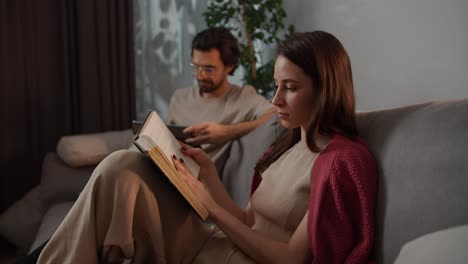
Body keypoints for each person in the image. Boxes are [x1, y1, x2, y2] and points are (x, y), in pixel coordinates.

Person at [32, 31, 377, 263]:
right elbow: (247, 219)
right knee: (122, 166)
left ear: (325, 89)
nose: (276, 98)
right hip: (220, 244)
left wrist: (211, 209)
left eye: (290, 87)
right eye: (276, 85)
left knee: (122, 174)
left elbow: (291, 257)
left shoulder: (340, 160)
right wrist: (209, 176)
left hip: (236, 258)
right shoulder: (286, 148)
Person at [167, 27, 275, 172]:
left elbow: (275, 114)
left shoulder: (243, 97)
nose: (200, 75)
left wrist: (227, 132)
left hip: (198, 184)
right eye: (196, 67)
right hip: (170, 172)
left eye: (209, 69)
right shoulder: (179, 97)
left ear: (229, 67)